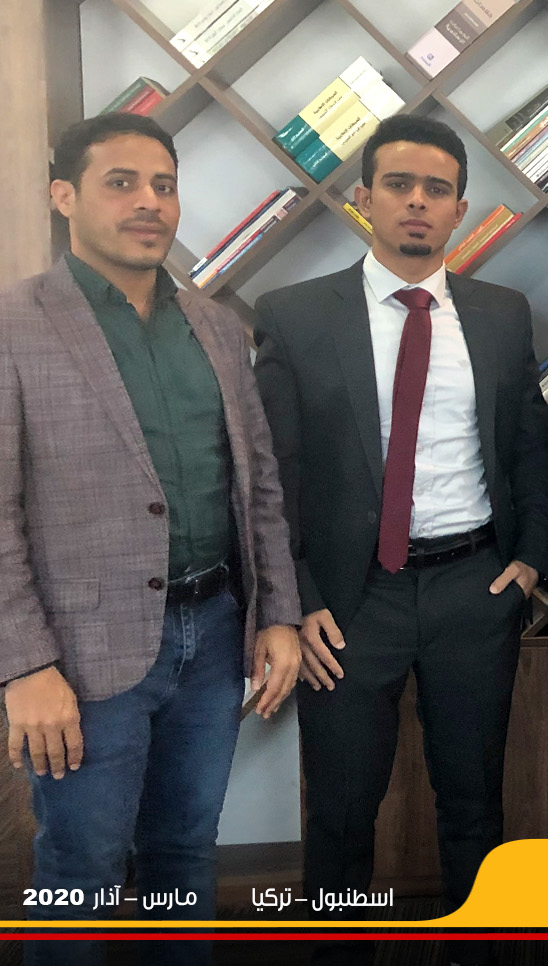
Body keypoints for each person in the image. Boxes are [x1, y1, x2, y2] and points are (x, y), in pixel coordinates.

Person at [253, 115, 548, 964]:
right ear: (364, 198)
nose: (417, 202)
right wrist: (299, 598)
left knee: (475, 801)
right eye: (398, 184)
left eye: (437, 189)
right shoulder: (296, 315)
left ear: (460, 209)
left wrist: (530, 560)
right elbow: (272, 475)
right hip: (350, 604)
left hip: (475, 587)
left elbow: (531, 449)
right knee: (342, 810)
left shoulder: (502, 315)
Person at [1, 112, 301, 965]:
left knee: (184, 853)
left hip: (213, 638)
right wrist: (23, 665)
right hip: (80, 656)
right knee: (81, 868)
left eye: (164, 186)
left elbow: (259, 484)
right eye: (122, 183)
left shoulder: (214, 326)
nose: (150, 203)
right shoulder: (14, 323)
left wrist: (278, 614)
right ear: (64, 196)